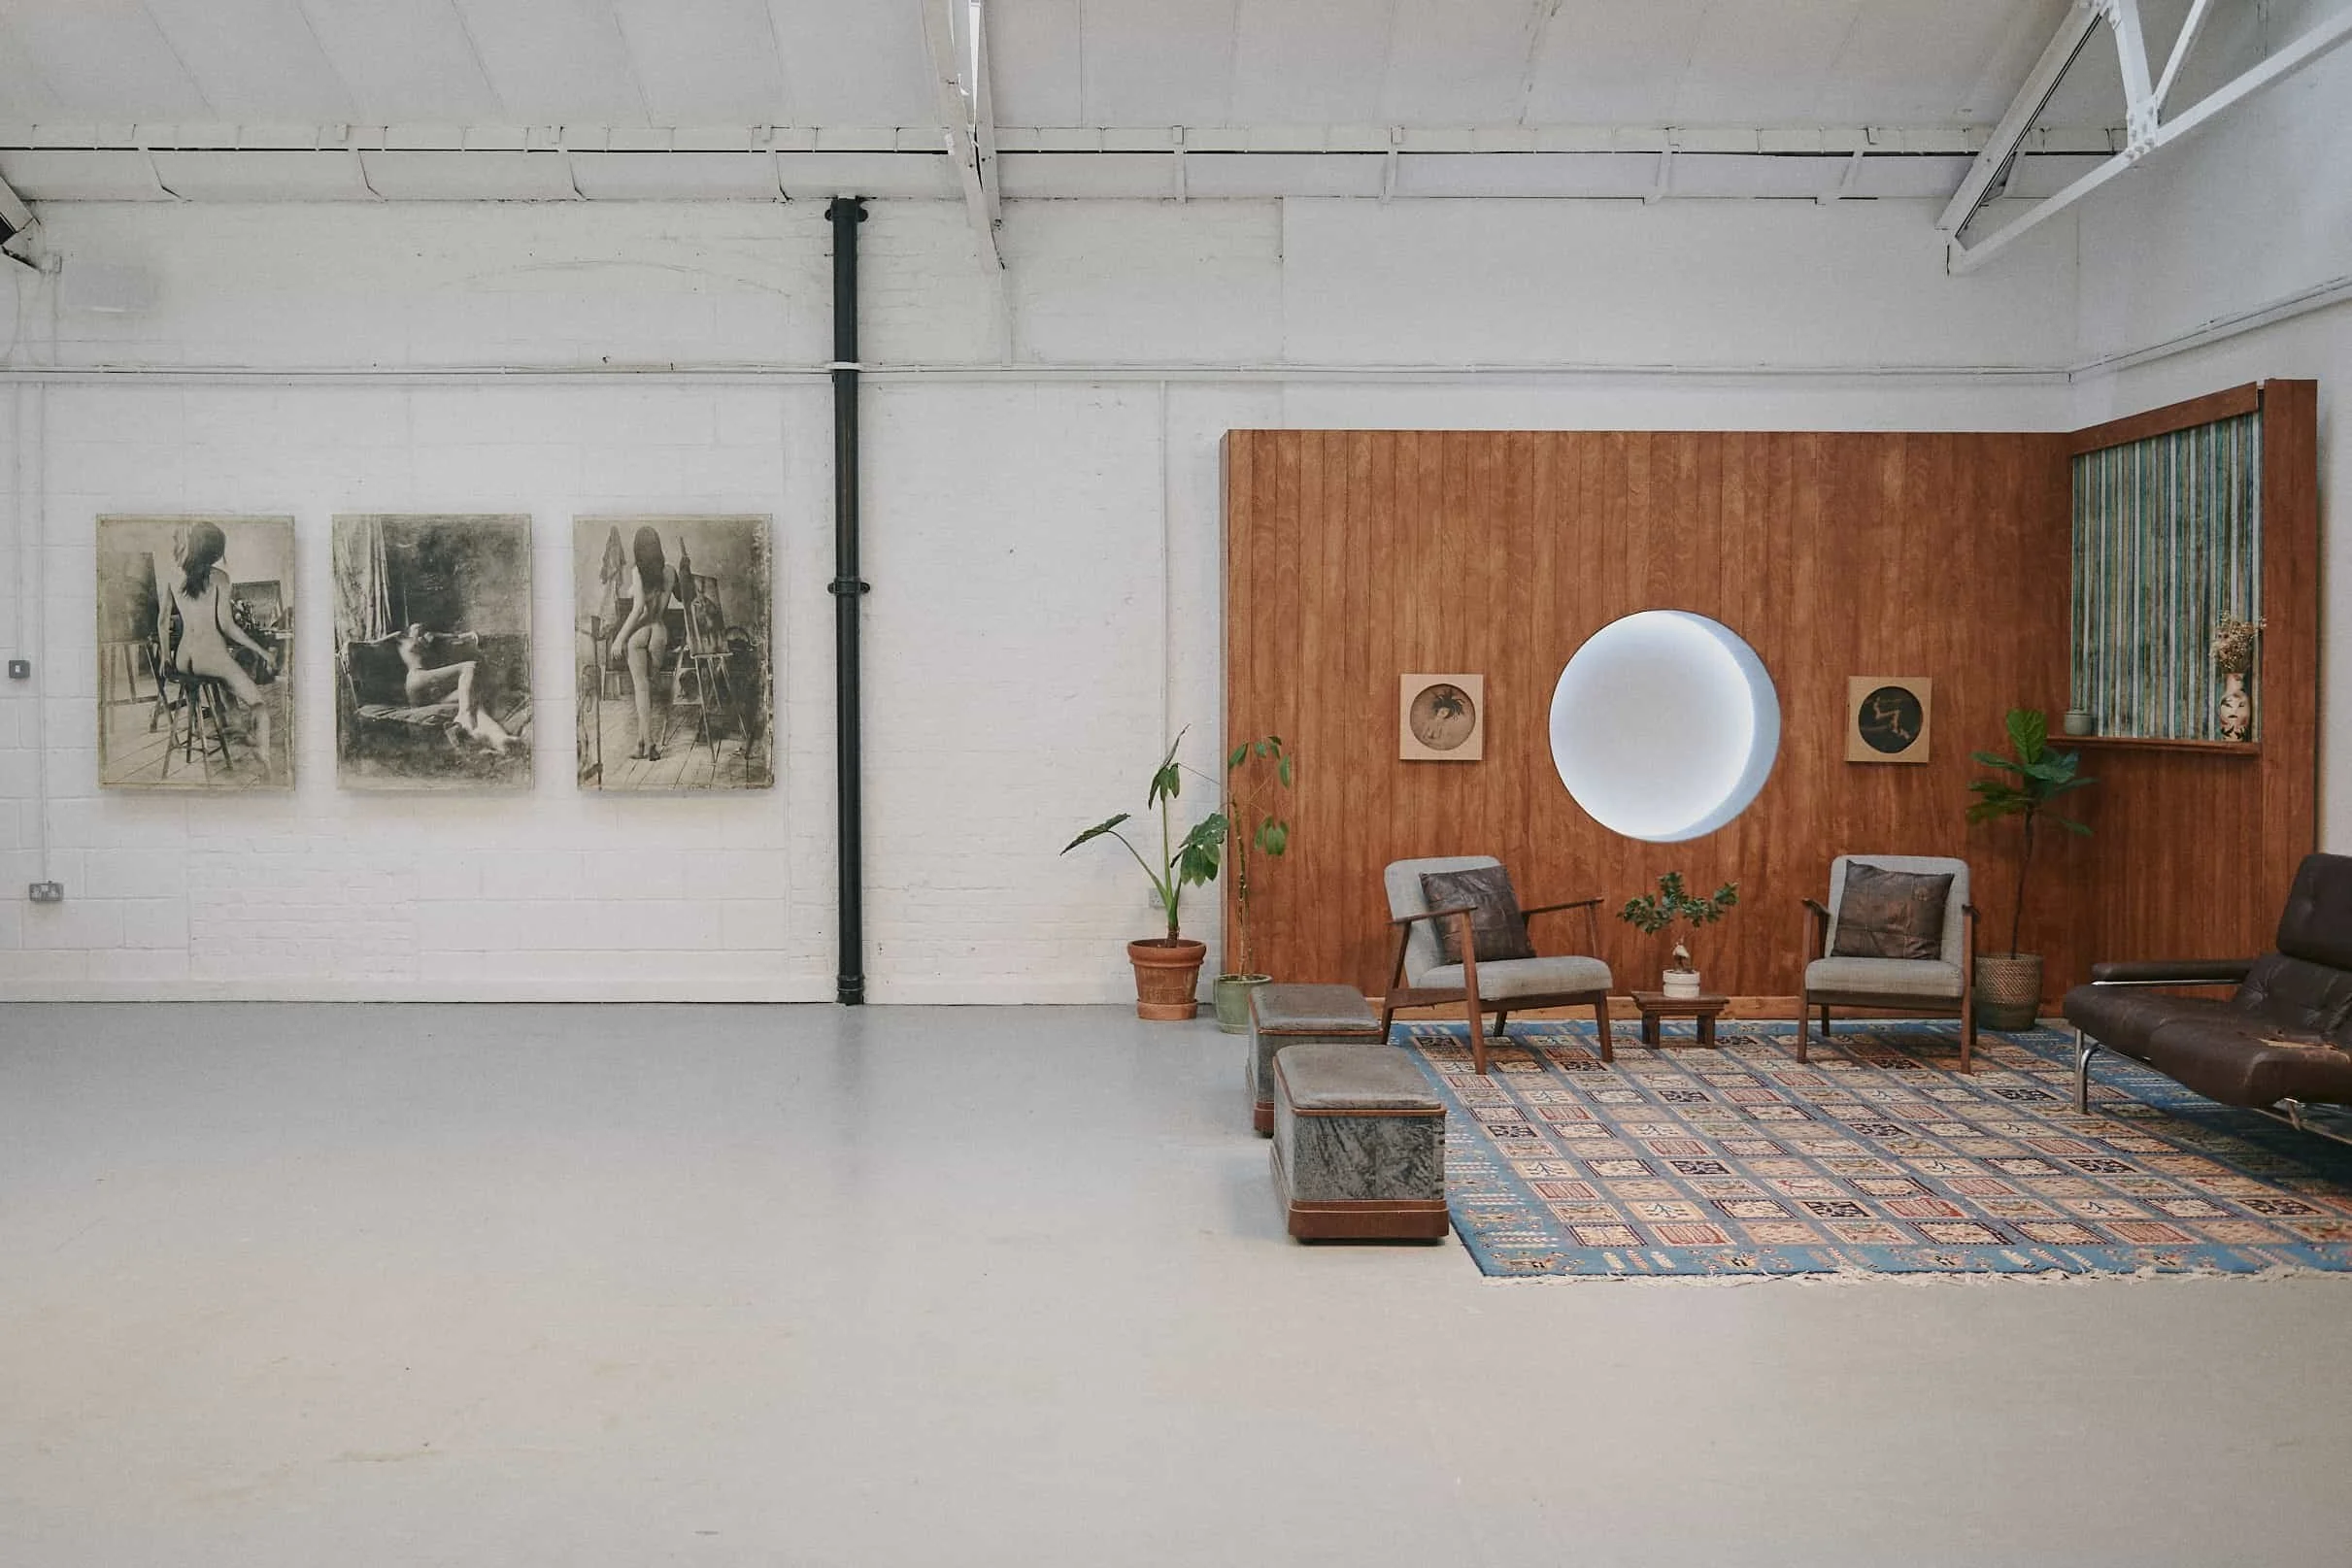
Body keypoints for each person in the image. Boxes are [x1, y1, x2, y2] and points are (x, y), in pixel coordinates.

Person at [161, 521, 278, 782]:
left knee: (226, 682)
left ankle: (236, 727)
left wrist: (165, 659)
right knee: (259, 704)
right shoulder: (219, 578)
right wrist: (263, 652)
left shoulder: (173, 576)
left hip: (183, 659)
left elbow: (162, 621)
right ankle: (263, 754)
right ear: (214, 551)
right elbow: (228, 627)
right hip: (210, 658)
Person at [609, 525, 676, 762]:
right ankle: (643, 743)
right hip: (659, 631)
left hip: (640, 633)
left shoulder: (638, 572)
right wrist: (685, 572)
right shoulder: (670, 571)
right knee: (649, 687)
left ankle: (647, 743)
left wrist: (620, 638)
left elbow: (638, 609)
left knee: (641, 688)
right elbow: (684, 596)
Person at [396, 623, 516, 755]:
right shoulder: (403, 642)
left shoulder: (426, 640)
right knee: (469, 666)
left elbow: (452, 637)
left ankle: (499, 739)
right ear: (407, 633)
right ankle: (464, 716)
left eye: (423, 630)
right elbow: (383, 640)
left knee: (474, 698)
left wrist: (470, 634)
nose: (421, 633)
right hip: (416, 679)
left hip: (431, 695)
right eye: (417, 630)